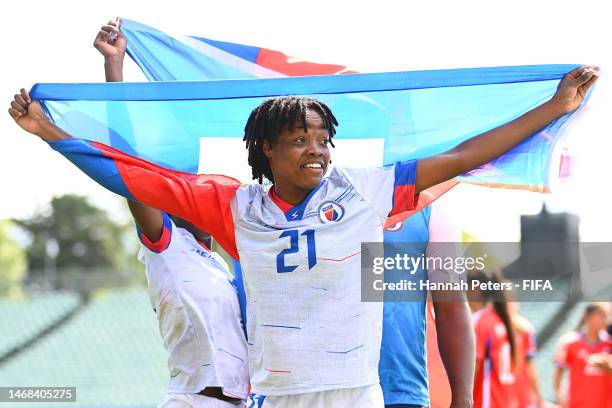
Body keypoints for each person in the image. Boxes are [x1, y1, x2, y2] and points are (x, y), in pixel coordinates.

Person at [9, 59, 597, 407]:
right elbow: (133, 177)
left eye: (323, 139)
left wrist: (553, 106)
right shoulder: (232, 206)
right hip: (278, 393)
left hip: (363, 392)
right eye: (299, 140)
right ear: (266, 149)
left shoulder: (372, 194)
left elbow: (465, 155)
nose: (316, 151)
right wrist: (51, 134)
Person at [92, 20, 249, 407]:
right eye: (196, 192)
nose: (210, 198)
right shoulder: (166, 246)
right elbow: (126, 167)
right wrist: (115, 68)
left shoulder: (220, 263)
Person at [380, 200, 473, 408]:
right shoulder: (316, 199)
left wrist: (463, 399)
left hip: (400, 392)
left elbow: (452, 306)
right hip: (317, 387)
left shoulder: (431, 209)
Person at [468, 270, 519, 408]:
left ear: (476, 288)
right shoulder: (498, 320)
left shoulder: (479, 321)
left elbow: (474, 364)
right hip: (502, 401)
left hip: (486, 402)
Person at [554, 303, 611, 408]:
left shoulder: (609, 344)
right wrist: (560, 398)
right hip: (578, 404)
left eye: (607, 316)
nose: (605, 320)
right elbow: (558, 374)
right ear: (587, 317)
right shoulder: (570, 343)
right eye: (601, 315)